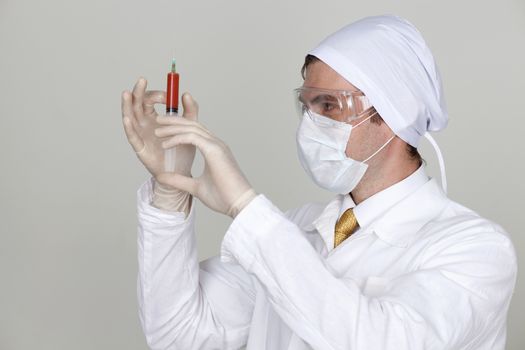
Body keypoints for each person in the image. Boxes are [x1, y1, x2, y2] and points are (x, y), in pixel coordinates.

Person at [121, 15, 517, 350]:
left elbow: (377, 339)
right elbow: (178, 333)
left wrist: (245, 206)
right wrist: (169, 191)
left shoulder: (475, 249)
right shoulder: (295, 229)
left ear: (395, 111)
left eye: (328, 105)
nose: (311, 123)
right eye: (306, 105)